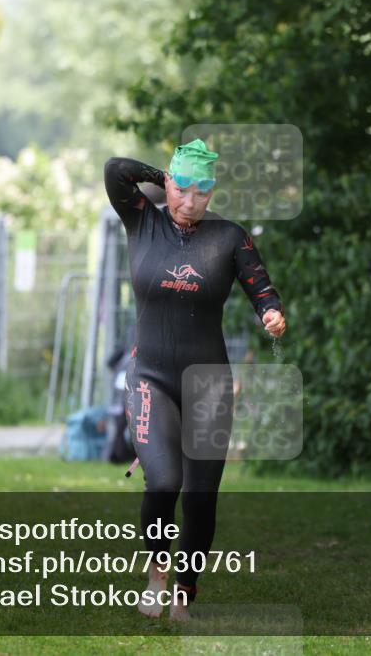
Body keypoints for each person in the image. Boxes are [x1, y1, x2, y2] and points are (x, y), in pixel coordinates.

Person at [103, 139, 287, 621]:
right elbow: (115, 169)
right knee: (163, 482)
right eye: (181, 188)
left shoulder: (229, 237)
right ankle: (156, 575)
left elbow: (261, 287)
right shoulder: (143, 219)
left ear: (212, 193)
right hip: (150, 378)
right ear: (169, 184)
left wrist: (271, 313)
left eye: (200, 192)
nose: (188, 201)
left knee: (200, 497)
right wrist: (161, 175)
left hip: (208, 384)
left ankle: (184, 593)